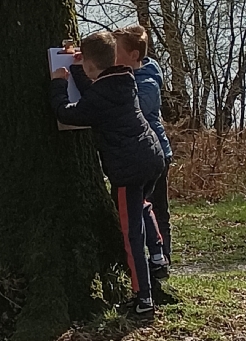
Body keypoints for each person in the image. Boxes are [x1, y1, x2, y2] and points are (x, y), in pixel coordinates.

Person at [50, 30, 165, 321]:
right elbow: (96, 94)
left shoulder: (101, 96)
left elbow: (68, 113)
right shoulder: (123, 81)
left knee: (130, 235)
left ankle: (144, 300)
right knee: (141, 207)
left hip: (128, 170)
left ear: (91, 66)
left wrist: (58, 85)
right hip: (151, 158)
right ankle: (158, 252)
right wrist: (78, 70)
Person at [113, 25, 173, 278]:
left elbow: (134, 106)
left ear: (134, 55)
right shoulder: (125, 75)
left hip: (155, 154)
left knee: (157, 209)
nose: (112, 55)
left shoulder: (146, 82)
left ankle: (163, 260)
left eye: (115, 51)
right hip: (136, 156)